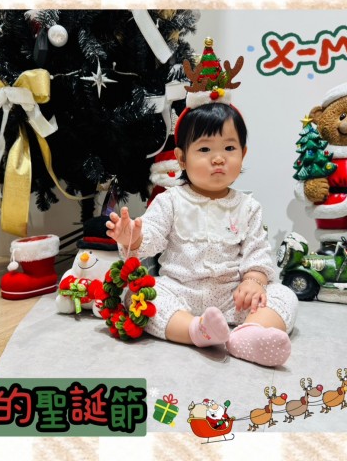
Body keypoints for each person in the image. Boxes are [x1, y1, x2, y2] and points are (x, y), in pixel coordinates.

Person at [105, 100, 298, 367]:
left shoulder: (248, 207)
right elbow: (152, 236)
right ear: (182, 158)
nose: (218, 158)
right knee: (141, 296)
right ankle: (195, 330)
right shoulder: (170, 201)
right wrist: (132, 238)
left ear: (243, 153)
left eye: (229, 148)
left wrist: (254, 281)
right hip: (180, 293)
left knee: (284, 295)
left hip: (234, 298)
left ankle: (247, 335)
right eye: (205, 149)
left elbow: (258, 252)